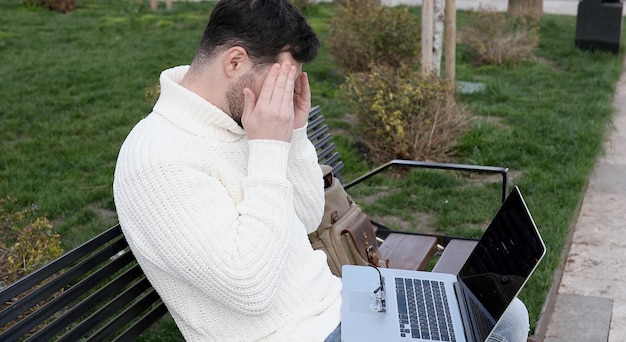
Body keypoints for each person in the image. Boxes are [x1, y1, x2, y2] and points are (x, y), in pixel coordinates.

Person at [113, 0, 529, 340]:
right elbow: (249, 288)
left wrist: (293, 135)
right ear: (235, 62)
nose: (283, 96)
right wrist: (270, 148)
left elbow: (308, 215)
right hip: (293, 334)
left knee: (501, 313)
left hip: (343, 305)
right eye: (279, 82)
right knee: (476, 326)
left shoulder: (238, 120)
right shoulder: (158, 159)